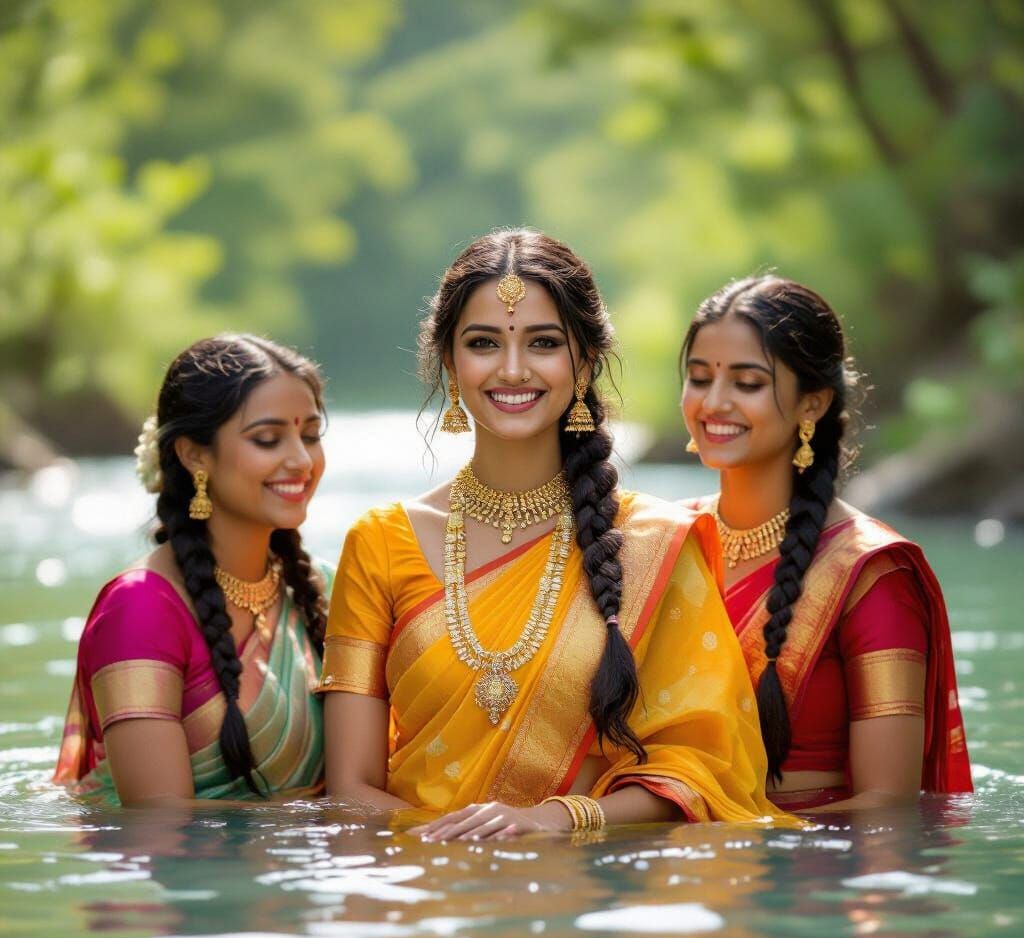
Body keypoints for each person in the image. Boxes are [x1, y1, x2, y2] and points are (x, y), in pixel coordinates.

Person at [317, 229, 794, 840]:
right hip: (427, 895)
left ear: (586, 361)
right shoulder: (380, 542)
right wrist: (460, 848)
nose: (512, 369)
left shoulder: (649, 540)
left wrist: (555, 820)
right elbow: (350, 790)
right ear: (448, 361)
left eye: (543, 343)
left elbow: (702, 769)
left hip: (588, 898)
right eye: (483, 343)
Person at [679, 275, 972, 812]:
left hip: (798, 874)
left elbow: (887, 806)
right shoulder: (659, 539)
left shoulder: (871, 574)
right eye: (699, 378)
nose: (714, 402)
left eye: (747, 384)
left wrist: (735, 839)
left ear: (812, 404)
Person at [54, 334, 330, 806]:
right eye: (268, 439)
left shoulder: (324, 586)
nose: (301, 461)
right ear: (194, 454)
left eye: (309, 435)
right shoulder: (140, 608)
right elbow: (162, 825)